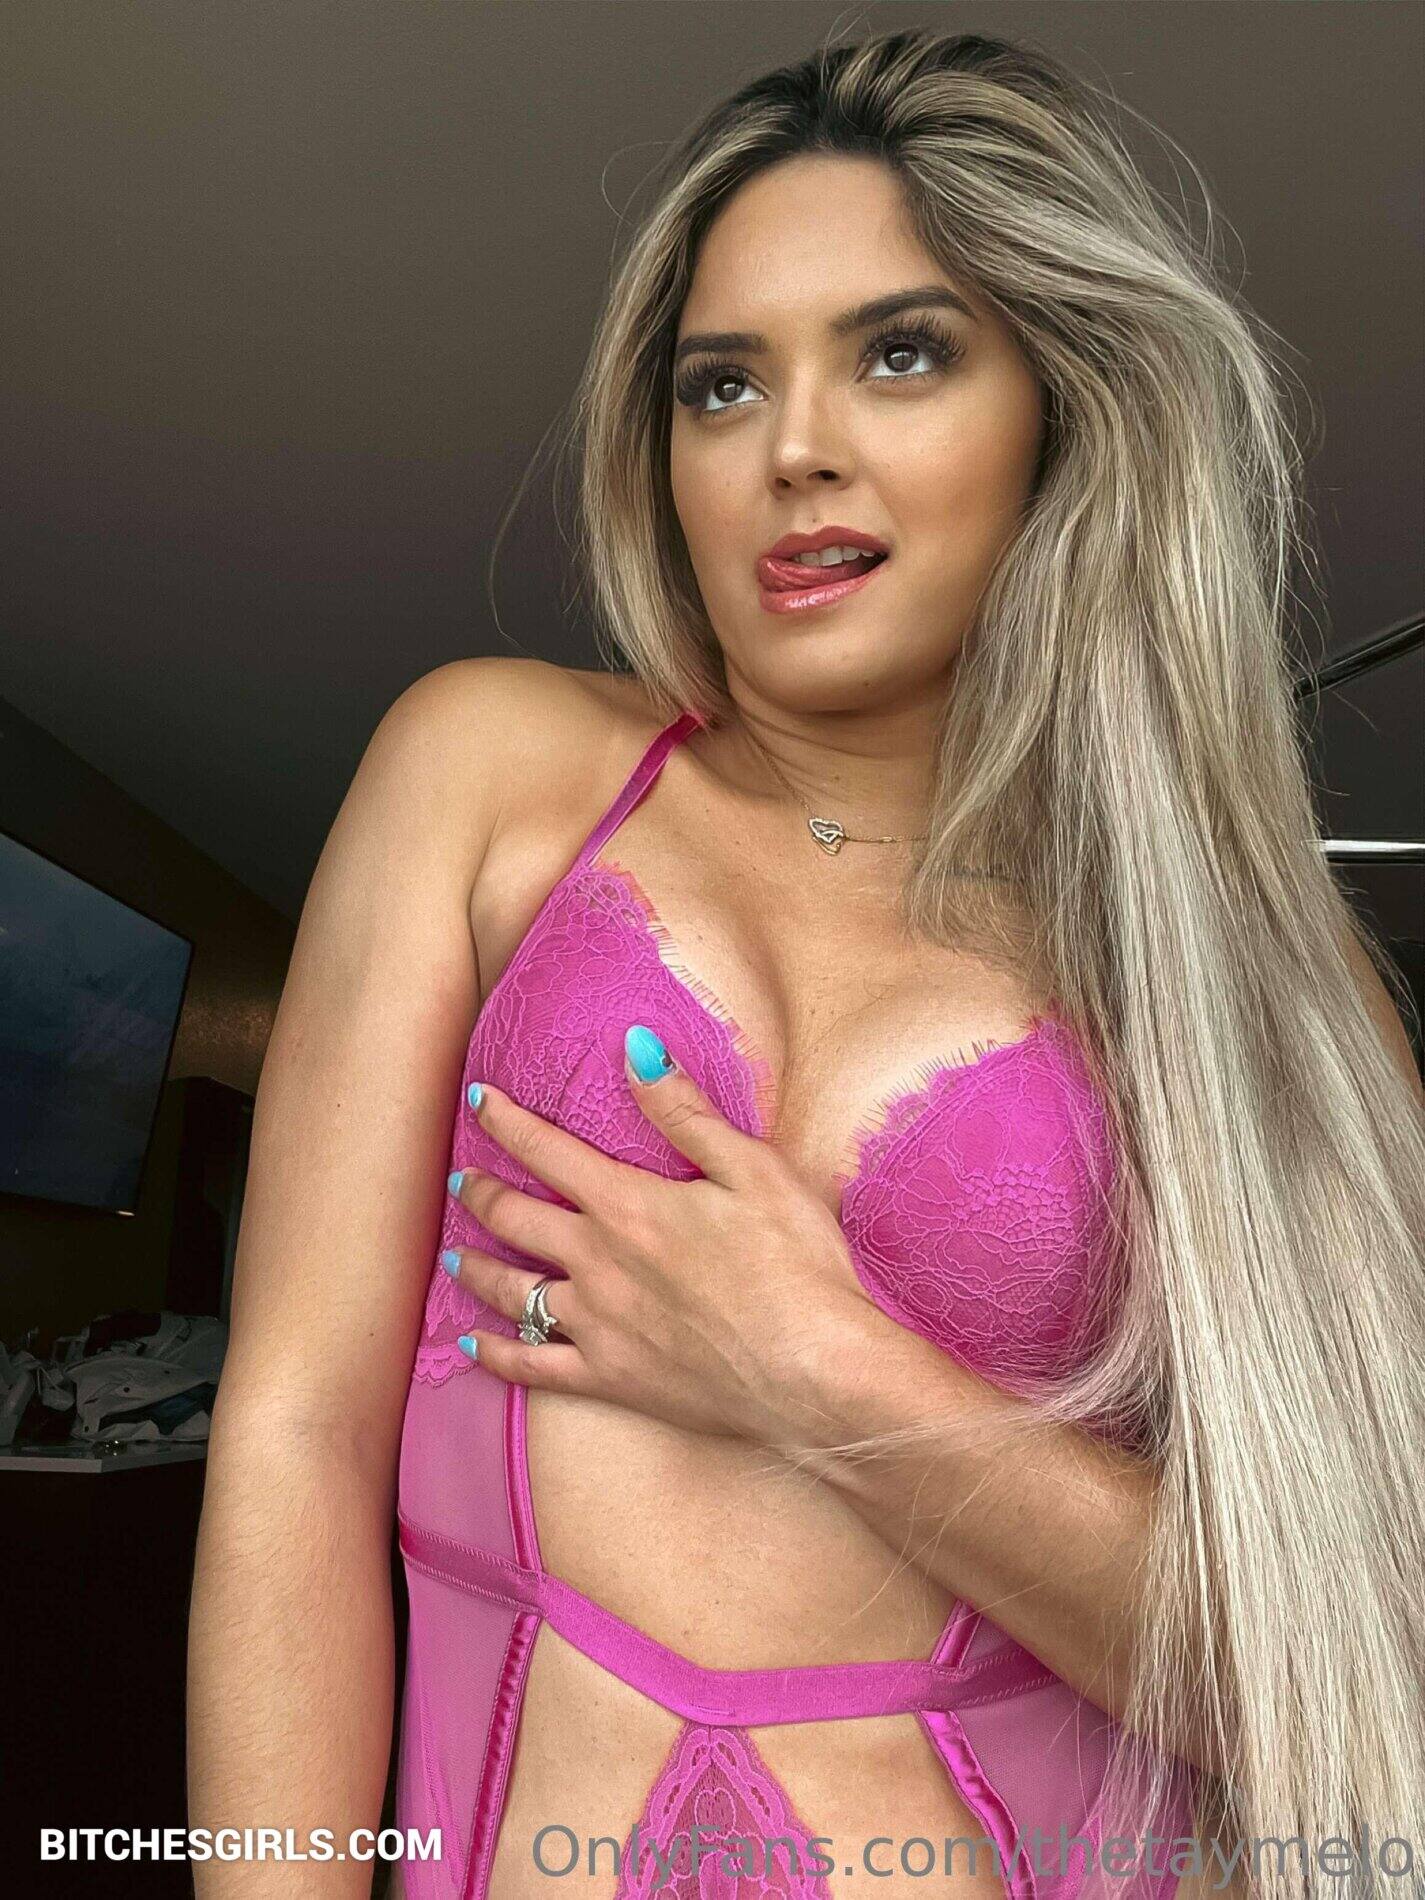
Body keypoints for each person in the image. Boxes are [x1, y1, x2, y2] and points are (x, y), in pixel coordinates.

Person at [187, 29, 1425, 1900]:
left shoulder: (1244, 968)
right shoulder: (490, 772)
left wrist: (821, 1369)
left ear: (1064, 406)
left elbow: (1341, 1683)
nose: (793, 449)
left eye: (901, 353)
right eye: (721, 385)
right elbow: (293, 1433)